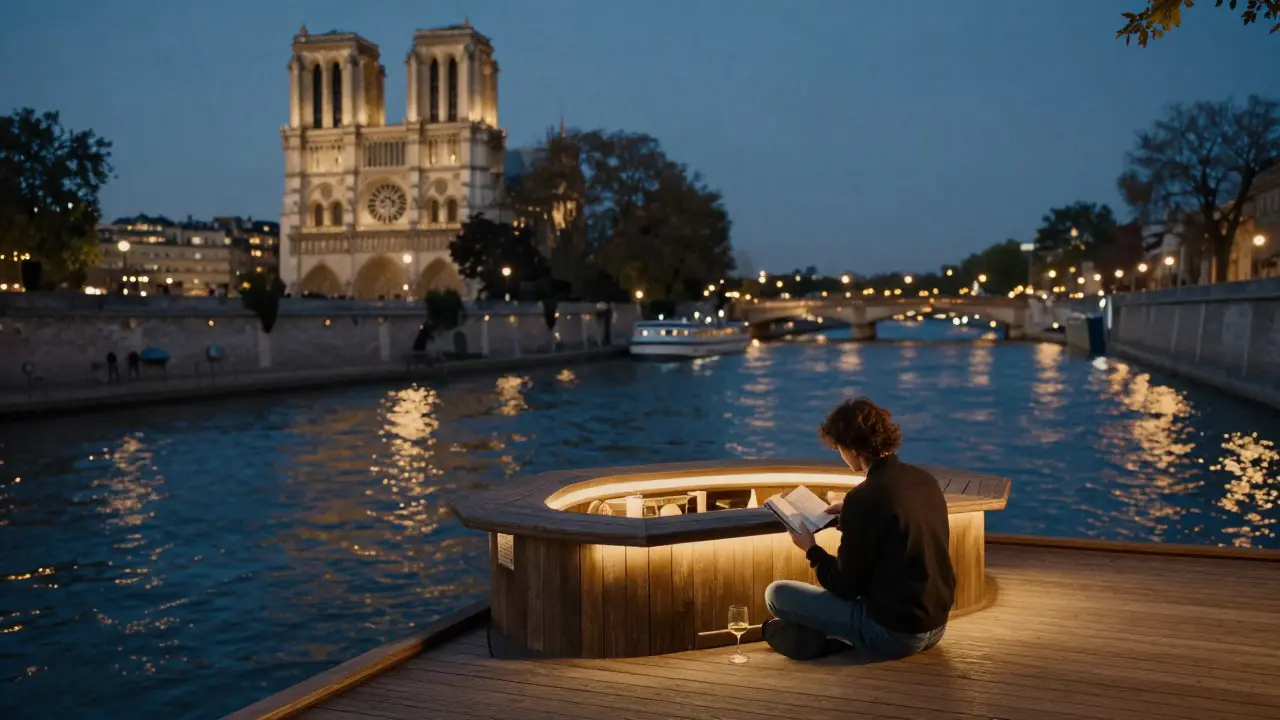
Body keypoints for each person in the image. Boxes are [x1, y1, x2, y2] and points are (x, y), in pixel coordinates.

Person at [762, 397, 954, 662]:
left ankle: (822, 639)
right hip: (937, 625)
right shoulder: (925, 481)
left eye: (839, 447)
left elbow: (845, 586)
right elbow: (896, 538)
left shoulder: (865, 498)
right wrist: (852, 520)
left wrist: (811, 548)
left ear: (853, 449)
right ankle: (821, 638)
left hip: (895, 634)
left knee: (776, 595)